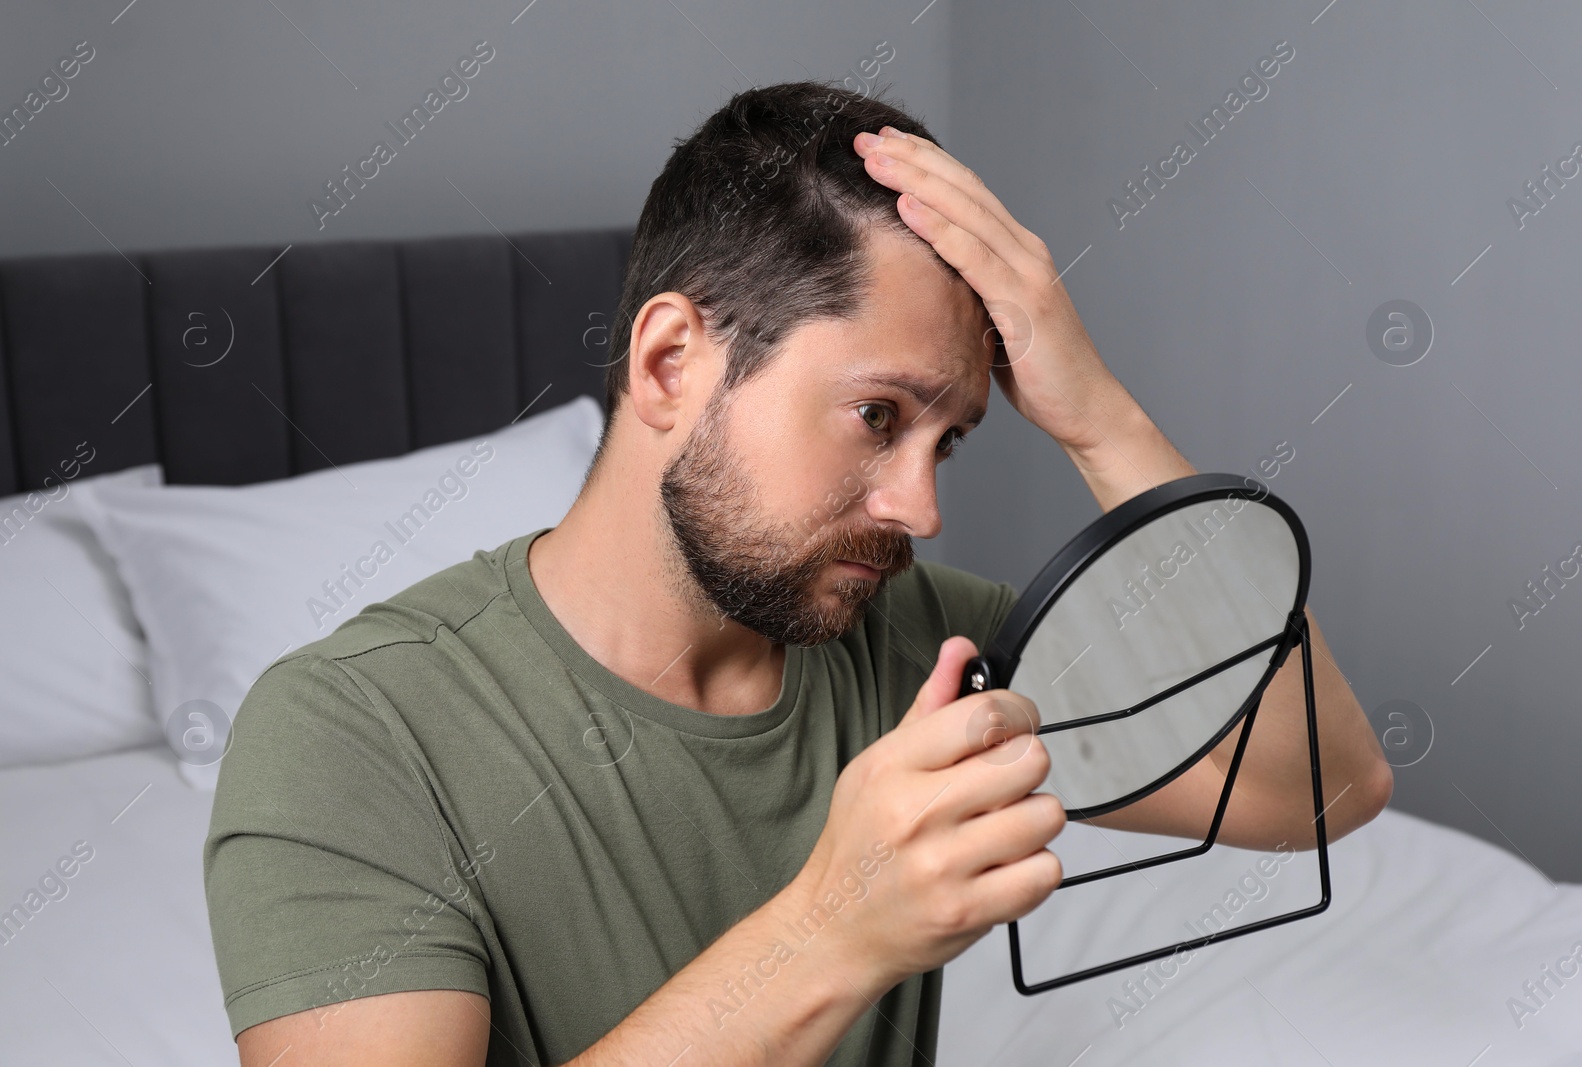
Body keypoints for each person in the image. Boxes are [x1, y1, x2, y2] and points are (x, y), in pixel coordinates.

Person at [206, 80, 1392, 1067]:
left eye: (951, 439)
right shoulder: (349, 731)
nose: (920, 508)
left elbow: (1323, 788)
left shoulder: (924, 648)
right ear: (672, 363)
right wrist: (834, 930)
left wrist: (1101, 421)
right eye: (877, 414)